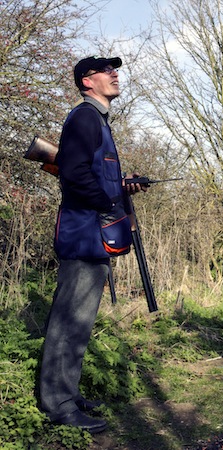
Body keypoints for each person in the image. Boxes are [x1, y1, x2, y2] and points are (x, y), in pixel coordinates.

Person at [39, 56, 145, 433]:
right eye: (107, 70)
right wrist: (109, 203)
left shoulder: (96, 120)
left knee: (80, 324)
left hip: (92, 236)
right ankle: (59, 405)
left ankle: (67, 392)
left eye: (115, 70)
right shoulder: (85, 117)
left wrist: (122, 183)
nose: (115, 74)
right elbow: (73, 173)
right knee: (69, 324)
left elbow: (90, 171)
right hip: (84, 235)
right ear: (87, 81)